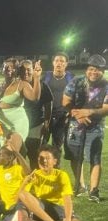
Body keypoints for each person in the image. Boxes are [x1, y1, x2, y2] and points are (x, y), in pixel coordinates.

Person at [18, 144, 108, 221]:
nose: (44, 161)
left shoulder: (61, 175)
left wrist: (68, 219)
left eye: (47, 158)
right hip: (42, 211)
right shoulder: (34, 175)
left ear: (55, 161)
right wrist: (25, 182)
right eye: (41, 158)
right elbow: (21, 196)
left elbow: (67, 199)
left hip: (59, 210)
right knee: (24, 194)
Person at [62, 54, 108, 202]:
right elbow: (66, 101)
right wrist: (78, 115)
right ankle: (81, 185)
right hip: (75, 124)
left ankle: (94, 190)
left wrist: (90, 112)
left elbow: (106, 108)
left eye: (97, 70)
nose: (93, 72)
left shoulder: (106, 85)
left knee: (94, 157)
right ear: (87, 69)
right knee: (75, 156)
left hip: (96, 126)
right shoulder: (77, 81)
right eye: (91, 69)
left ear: (103, 71)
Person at [0, 58, 42, 141]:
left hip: (18, 124)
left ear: (17, 71)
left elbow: (35, 97)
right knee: (2, 152)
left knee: (13, 150)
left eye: (12, 67)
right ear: (2, 70)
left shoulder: (22, 84)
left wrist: (37, 77)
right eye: (6, 66)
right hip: (2, 125)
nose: (9, 68)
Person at [22, 60, 53, 170]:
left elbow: (49, 104)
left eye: (28, 69)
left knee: (34, 155)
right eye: (23, 70)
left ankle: (37, 181)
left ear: (32, 70)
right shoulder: (17, 85)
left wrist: (46, 122)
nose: (26, 72)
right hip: (20, 127)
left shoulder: (42, 85)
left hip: (35, 125)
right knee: (20, 157)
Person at [43, 53, 74, 151]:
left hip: (62, 118)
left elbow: (77, 98)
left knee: (57, 147)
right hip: (45, 118)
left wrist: (69, 114)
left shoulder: (71, 79)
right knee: (41, 145)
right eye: (56, 61)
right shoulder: (46, 77)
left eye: (62, 61)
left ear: (66, 64)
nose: (59, 63)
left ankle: (56, 166)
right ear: (53, 63)